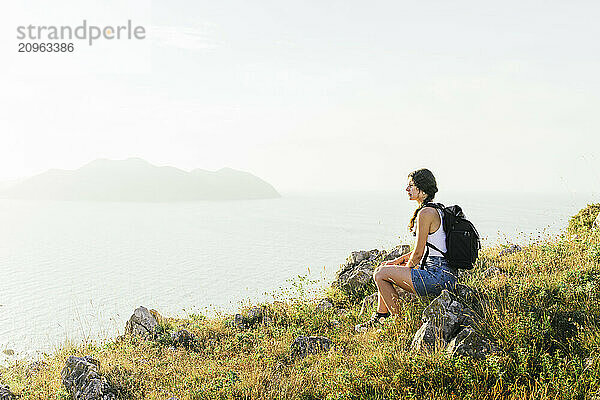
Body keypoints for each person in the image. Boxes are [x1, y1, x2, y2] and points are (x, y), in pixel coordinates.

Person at [355, 168, 458, 332]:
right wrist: (397, 262)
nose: (407, 189)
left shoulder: (425, 212)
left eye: (411, 186)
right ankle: (381, 316)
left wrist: (404, 268)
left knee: (380, 274)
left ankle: (400, 324)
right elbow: (426, 249)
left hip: (436, 276)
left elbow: (418, 254)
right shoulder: (437, 209)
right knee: (384, 268)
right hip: (446, 274)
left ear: (422, 189)